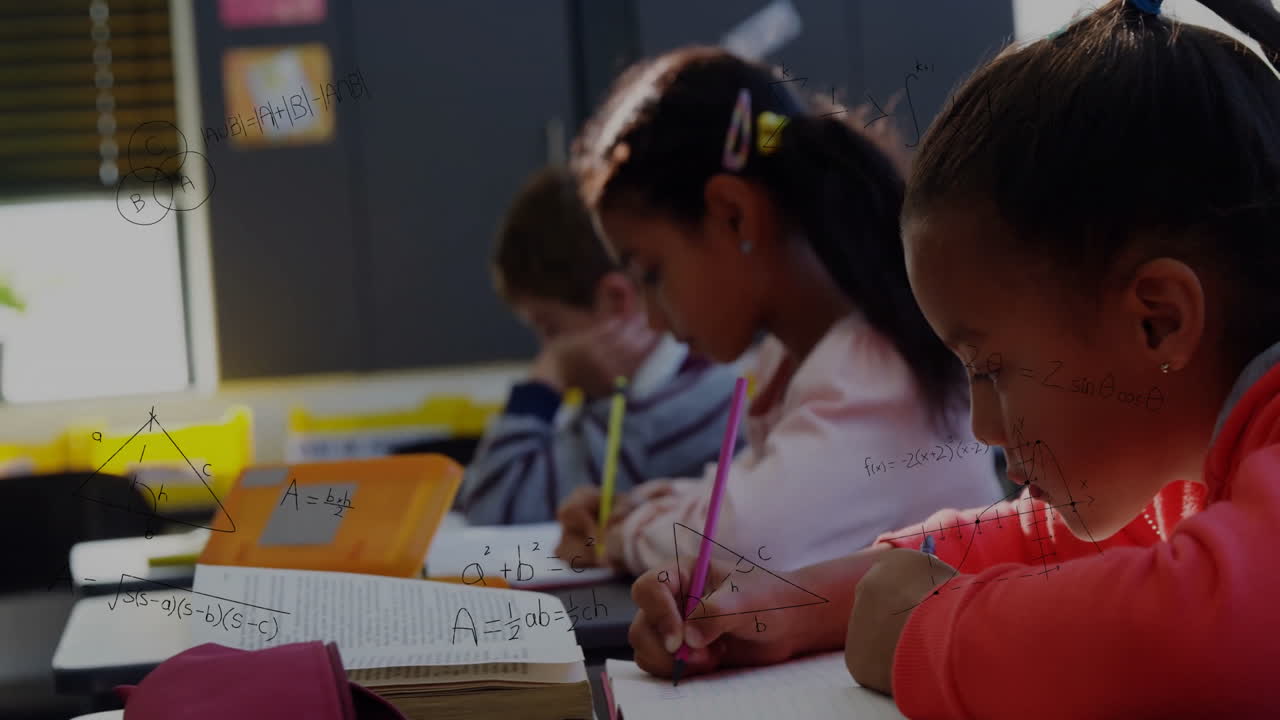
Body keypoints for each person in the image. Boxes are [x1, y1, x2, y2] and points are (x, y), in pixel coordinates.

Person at [626, 1, 1280, 717]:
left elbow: (1210, 636)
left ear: (1158, 323)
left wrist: (926, 631)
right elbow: (1041, 543)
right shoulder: (1189, 466)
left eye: (992, 368)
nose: (983, 429)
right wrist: (795, 602)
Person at [556, 47, 1002, 574]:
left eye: (651, 273)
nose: (652, 320)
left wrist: (618, 534)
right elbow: (745, 490)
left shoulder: (875, 375)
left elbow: (737, 544)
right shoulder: (800, 355)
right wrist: (633, 509)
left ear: (734, 216)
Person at [457, 166, 740, 525]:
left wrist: (548, 376)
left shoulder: (666, 412)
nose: (547, 348)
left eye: (550, 327)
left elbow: (492, 501)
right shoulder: (640, 394)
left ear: (615, 300)